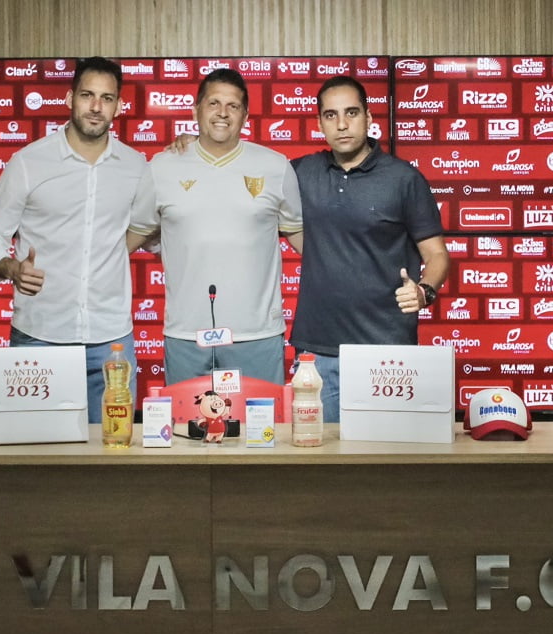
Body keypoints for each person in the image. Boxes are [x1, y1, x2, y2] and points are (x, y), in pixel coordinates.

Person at [0, 56, 154, 423]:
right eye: (87, 95)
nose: (96, 106)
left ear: (119, 106)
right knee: (36, 451)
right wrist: (10, 267)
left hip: (111, 341)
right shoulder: (28, 162)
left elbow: (145, 229)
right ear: (70, 98)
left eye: (106, 98)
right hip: (39, 335)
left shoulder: (136, 167)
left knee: (114, 449)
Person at [290, 75, 450, 421]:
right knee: (317, 451)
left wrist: (425, 291)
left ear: (368, 117)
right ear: (319, 123)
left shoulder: (404, 179)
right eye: (331, 115)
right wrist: (189, 143)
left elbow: (437, 254)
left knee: (386, 452)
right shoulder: (300, 172)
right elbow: (244, 176)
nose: (342, 124)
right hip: (318, 351)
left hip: (387, 352)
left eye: (351, 113)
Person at [129, 68, 303, 385]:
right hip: (186, 335)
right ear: (196, 110)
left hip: (257, 335)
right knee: (185, 419)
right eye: (213, 103)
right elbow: (134, 236)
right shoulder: (162, 167)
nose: (222, 113)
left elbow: (300, 235)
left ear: (245, 115)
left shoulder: (276, 166)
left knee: (262, 419)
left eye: (233, 106)